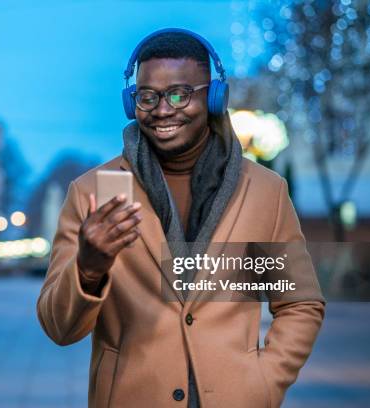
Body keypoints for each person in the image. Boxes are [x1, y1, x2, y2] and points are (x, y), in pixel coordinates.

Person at [37, 29, 325, 407]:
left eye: (180, 94)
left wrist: (266, 381)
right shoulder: (93, 192)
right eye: (147, 97)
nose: (161, 110)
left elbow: (299, 302)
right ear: (131, 101)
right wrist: (88, 269)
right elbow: (59, 328)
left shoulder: (265, 192)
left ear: (215, 97)